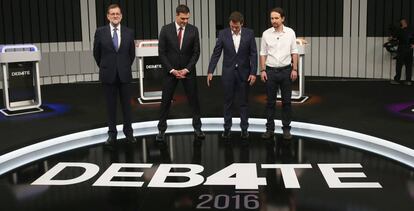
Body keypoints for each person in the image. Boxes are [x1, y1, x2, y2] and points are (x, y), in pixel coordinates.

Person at [156, 4, 205, 142]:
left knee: (194, 101)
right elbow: (161, 52)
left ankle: (197, 128)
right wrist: (172, 70)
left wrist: (186, 69)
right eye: (183, 18)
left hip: (188, 72)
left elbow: (196, 52)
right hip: (169, 72)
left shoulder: (194, 30)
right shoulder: (165, 30)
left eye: (187, 18)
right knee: (165, 101)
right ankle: (161, 130)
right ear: (176, 15)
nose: (185, 21)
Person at [207, 11, 257, 139]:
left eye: (236, 27)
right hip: (228, 73)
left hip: (244, 73)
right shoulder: (223, 34)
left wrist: (253, 73)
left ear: (242, 23)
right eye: (232, 26)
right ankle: (227, 129)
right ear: (229, 23)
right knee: (228, 101)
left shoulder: (249, 33)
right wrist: (210, 71)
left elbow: (253, 54)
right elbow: (216, 53)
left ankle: (244, 129)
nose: (234, 29)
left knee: (243, 102)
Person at [93, 4, 137, 145]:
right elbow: (96, 53)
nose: (115, 16)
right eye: (112, 14)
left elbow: (132, 54)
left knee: (127, 107)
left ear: (121, 16)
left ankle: (128, 133)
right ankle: (112, 134)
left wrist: (122, 66)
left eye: (117, 13)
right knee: (110, 107)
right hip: (108, 74)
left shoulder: (129, 32)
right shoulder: (100, 32)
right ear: (107, 16)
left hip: (124, 74)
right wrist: (107, 66)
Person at [260, 7, 298, 140]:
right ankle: (269, 129)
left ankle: (286, 129)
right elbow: (263, 53)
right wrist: (263, 70)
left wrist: (295, 69)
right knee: (270, 103)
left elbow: (294, 51)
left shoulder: (290, 33)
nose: (274, 20)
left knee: (286, 102)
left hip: (286, 71)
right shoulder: (266, 34)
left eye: (276, 18)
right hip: (270, 71)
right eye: (272, 18)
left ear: (282, 18)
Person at [390, 18, 414, 86]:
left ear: (403, 22)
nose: (401, 23)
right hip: (409, 48)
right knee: (408, 65)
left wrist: (391, 37)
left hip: (402, 48)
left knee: (399, 64)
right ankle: (408, 81)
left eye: (401, 22)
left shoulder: (400, 30)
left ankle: (397, 80)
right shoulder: (410, 29)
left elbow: (394, 37)